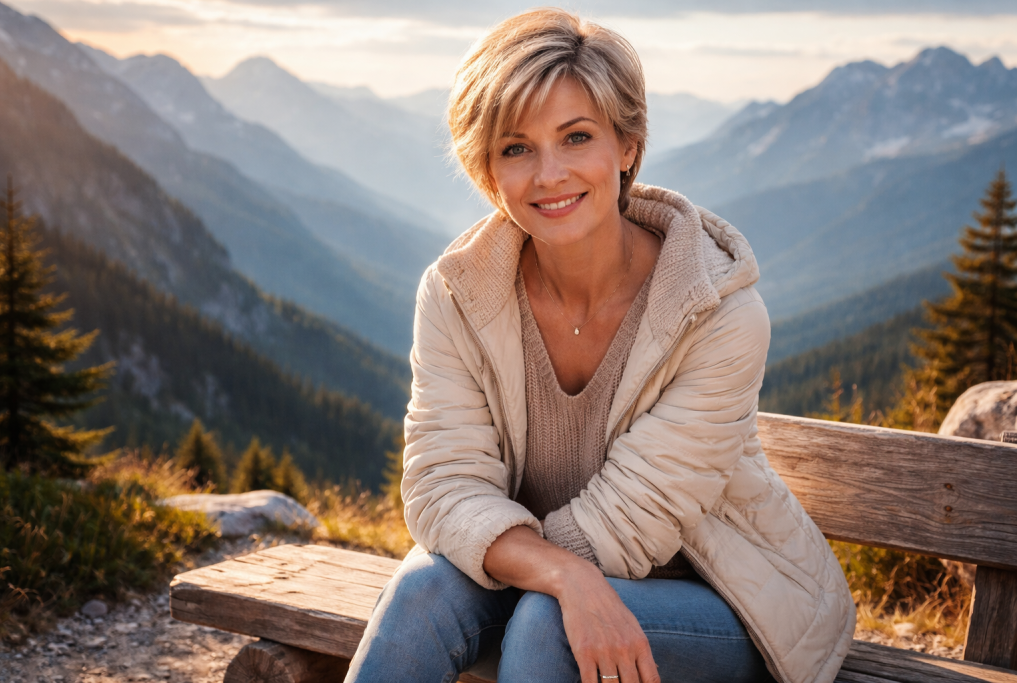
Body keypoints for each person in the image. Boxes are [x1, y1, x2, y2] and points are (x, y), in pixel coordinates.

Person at [344, 8, 855, 683]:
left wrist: (541, 571)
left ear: (628, 147)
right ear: (488, 169)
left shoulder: (719, 312)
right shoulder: (458, 294)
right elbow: (443, 483)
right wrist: (559, 573)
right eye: (516, 148)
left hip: (728, 602)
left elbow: (630, 523)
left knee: (546, 625)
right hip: (548, 579)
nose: (548, 174)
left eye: (576, 137)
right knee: (422, 594)